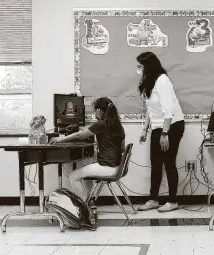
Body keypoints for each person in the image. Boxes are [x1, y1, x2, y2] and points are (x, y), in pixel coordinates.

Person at [136, 51, 185, 212]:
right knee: (155, 164)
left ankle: (172, 201)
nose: (138, 69)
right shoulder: (148, 82)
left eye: (140, 66)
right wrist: (145, 129)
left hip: (173, 125)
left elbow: (168, 109)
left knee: (169, 162)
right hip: (158, 126)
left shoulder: (162, 81)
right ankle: (153, 199)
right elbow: (150, 109)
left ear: (148, 67)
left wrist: (165, 134)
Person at [50, 97, 126, 201]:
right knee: (87, 169)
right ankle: (89, 200)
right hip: (118, 168)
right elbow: (121, 149)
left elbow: (79, 136)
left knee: (74, 176)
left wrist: (60, 140)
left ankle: (83, 205)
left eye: (95, 110)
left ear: (99, 111)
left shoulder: (101, 124)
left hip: (108, 168)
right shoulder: (119, 126)